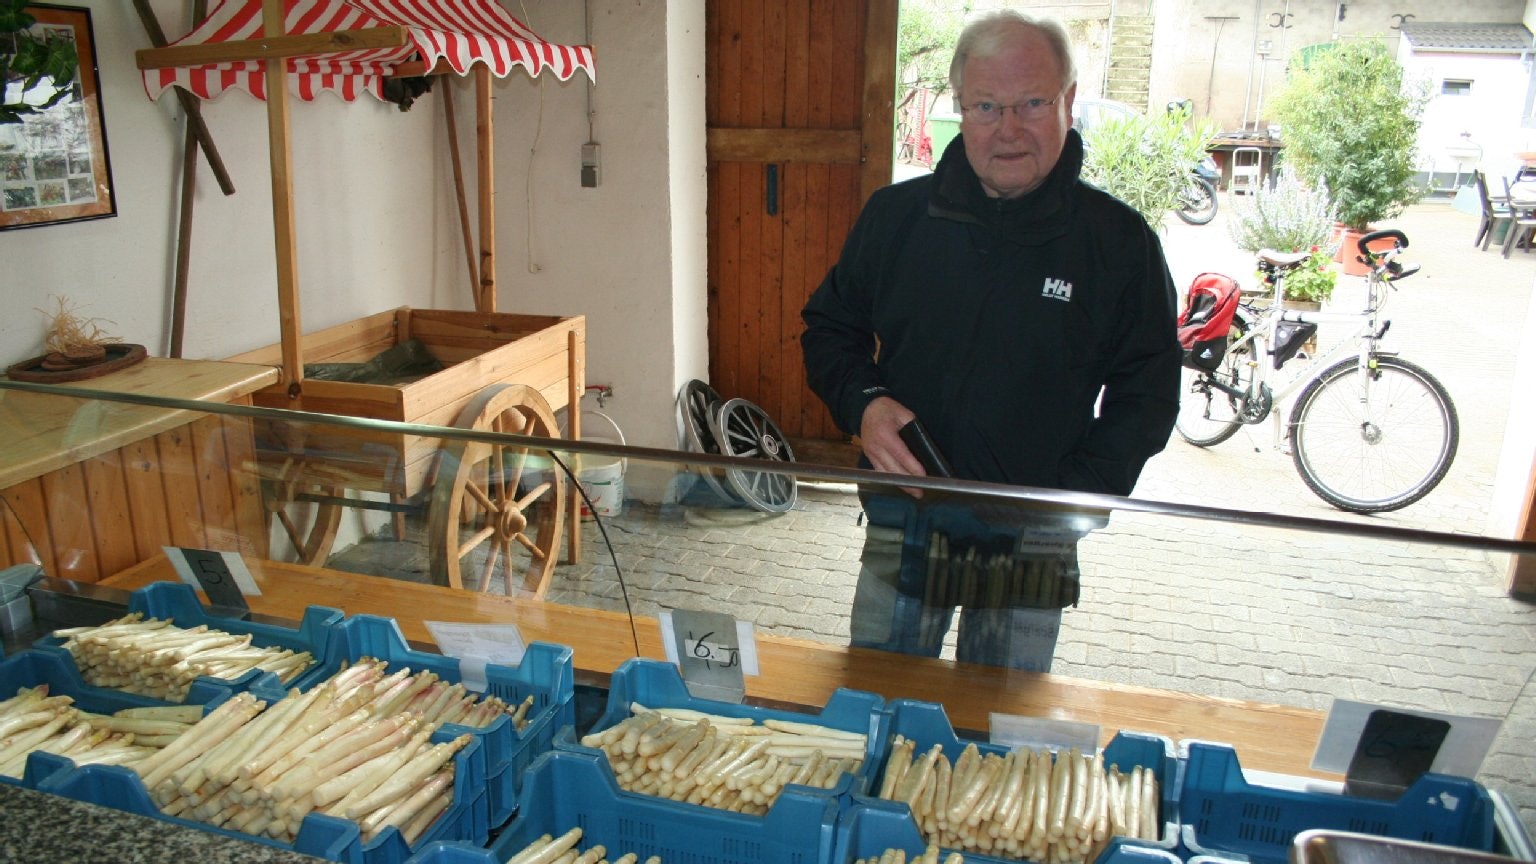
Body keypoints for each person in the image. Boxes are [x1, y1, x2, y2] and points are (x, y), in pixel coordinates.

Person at [800, 10, 1182, 671]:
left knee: (1001, 723)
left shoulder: (1118, 244)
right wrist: (863, 404)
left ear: (1067, 101)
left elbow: (1147, 395)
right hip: (906, 521)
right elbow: (830, 329)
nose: (1008, 128)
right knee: (877, 701)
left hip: (1033, 543)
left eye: (1031, 103)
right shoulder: (896, 219)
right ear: (960, 107)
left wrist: (1071, 497)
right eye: (986, 106)